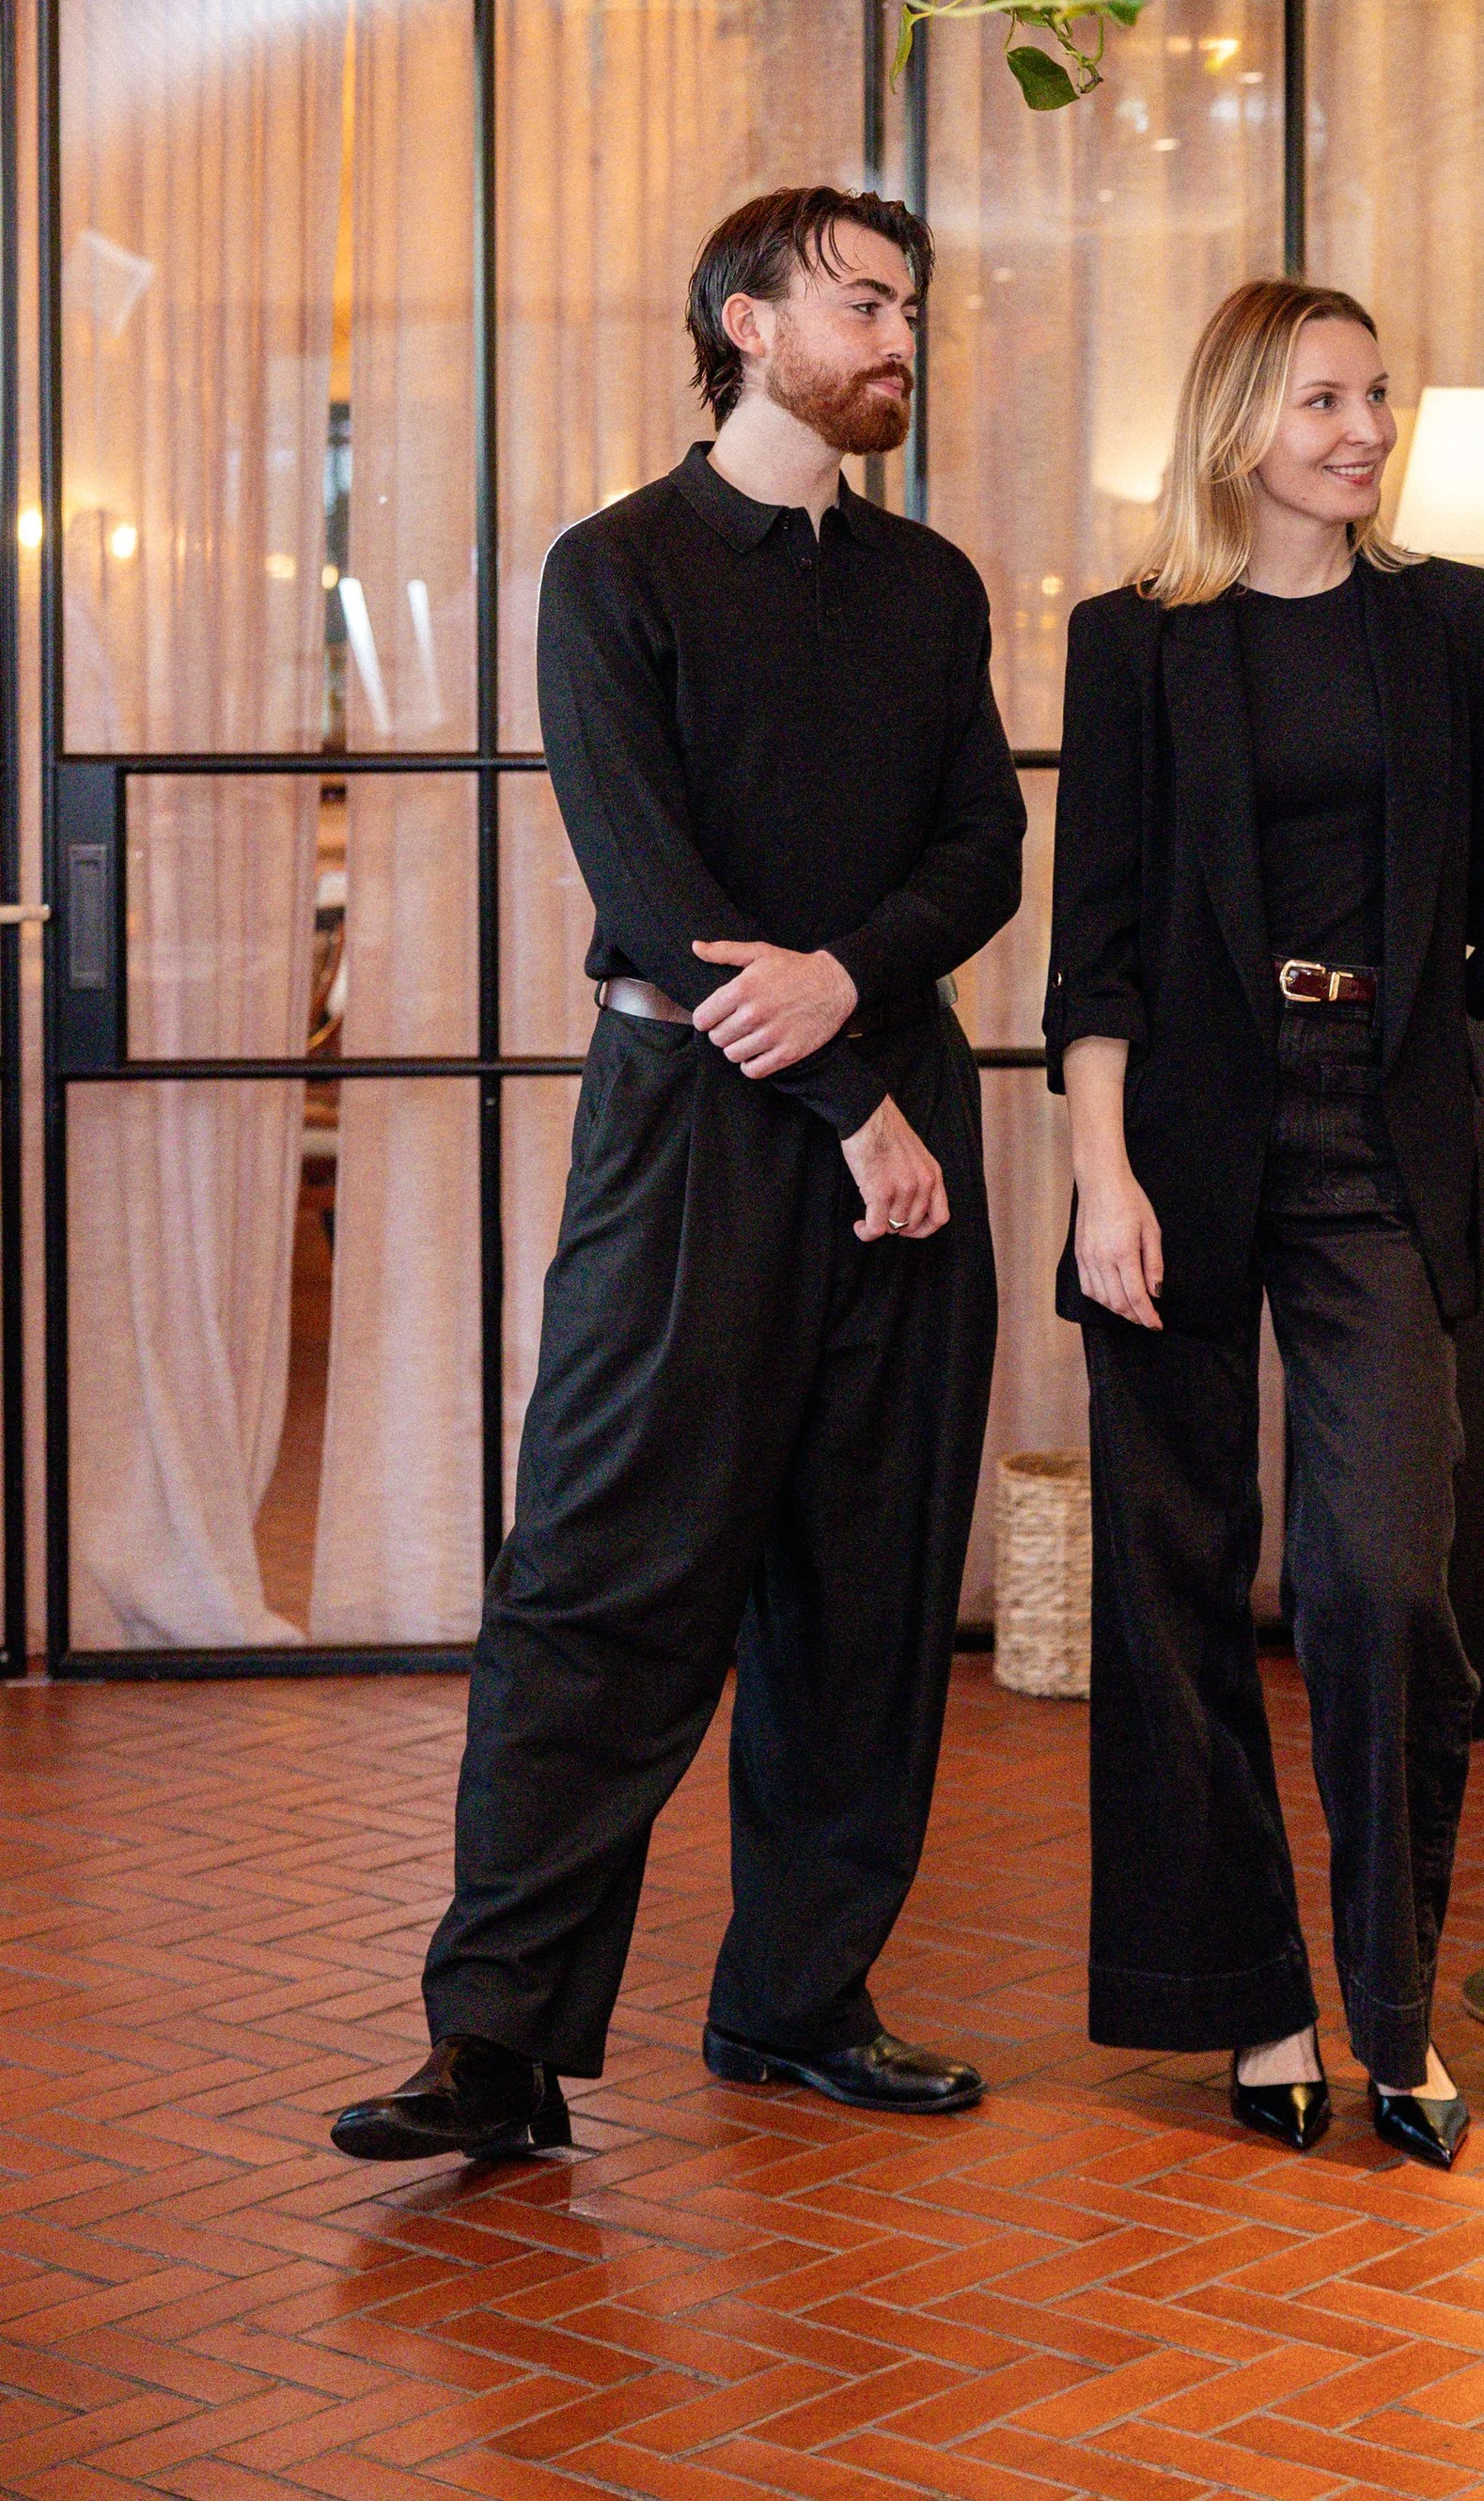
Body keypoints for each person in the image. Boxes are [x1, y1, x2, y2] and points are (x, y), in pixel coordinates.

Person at [333, 185, 1024, 2165]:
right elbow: (647, 897)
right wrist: (848, 1100)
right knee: (602, 1579)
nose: (899, 333)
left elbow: (978, 852)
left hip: (896, 1122)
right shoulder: (612, 569)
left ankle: (799, 2004)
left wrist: (849, 990)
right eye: (861, 300)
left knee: (866, 1590)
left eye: (910, 302)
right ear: (745, 320)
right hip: (708, 1138)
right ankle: (495, 2045)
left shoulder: (926, 586)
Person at [1046, 278, 1484, 2172]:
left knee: (1375, 1579)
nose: (1362, 432)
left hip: (1376, 1127)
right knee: (1173, 1587)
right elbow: (1092, 944)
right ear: (1236, 427)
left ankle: (1389, 2007)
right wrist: (1096, 1172)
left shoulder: (1446, 620)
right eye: (1322, 403)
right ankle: (1249, 2005)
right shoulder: (1131, 646)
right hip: (1184, 1135)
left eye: (1376, 397)